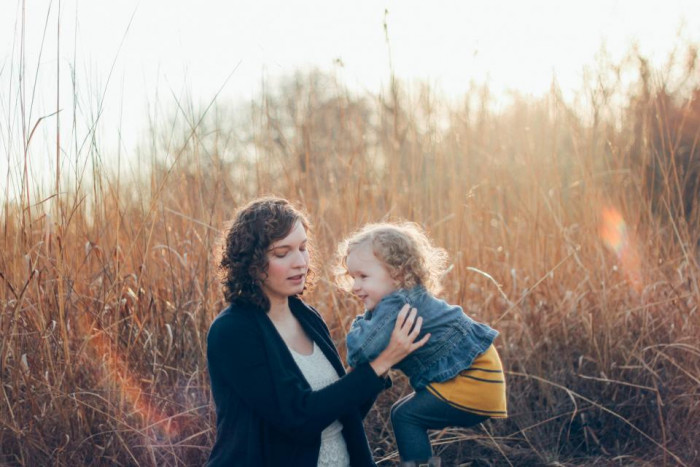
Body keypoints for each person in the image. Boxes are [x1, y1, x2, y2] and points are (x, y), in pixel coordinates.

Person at [206, 197, 430, 467]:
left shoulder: (307, 316)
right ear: (251, 262)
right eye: (282, 253)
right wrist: (381, 362)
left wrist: (382, 358)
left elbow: (343, 412)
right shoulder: (233, 331)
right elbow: (297, 419)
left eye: (303, 248)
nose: (300, 262)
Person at [337, 222, 508, 467]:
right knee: (401, 413)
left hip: (472, 379)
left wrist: (361, 322)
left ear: (397, 273)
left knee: (407, 417)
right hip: (482, 375)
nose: (355, 286)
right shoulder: (406, 297)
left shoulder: (395, 305)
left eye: (363, 276)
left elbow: (360, 350)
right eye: (352, 277)